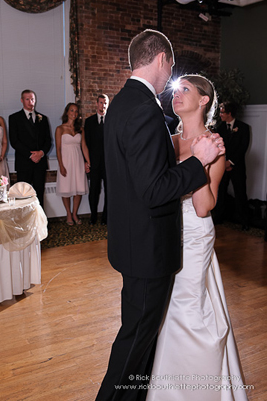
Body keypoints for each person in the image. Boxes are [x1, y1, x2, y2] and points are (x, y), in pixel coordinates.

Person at [97, 29, 224, 401]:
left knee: (141, 342)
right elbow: (153, 190)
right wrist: (198, 162)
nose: (171, 77)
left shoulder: (122, 103)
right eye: (170, 66)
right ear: (161, 60)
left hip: (135, 241)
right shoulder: (144, 109)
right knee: (133, 345)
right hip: (148, 248)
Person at [148, 75, 248, 400]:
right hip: (163, 230)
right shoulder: (169, 140)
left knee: (185, 308)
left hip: (193, 234)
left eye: (185, 89)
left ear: (204, 100)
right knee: (161, 309)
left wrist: (202, 161)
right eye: (175, 90)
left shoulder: (215, 145)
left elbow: (204, 207)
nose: (176, 95)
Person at [8, 90, 52, 209]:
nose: (30, 102)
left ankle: (40, 223)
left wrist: (41, 153)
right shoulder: (14, 118)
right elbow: (14, 141)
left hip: (40, 163)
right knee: (23, 195)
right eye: (27, 99)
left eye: (32, 99)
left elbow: (48, 140)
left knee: (39, 194)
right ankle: (24, 223)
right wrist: (30, 155)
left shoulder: (43, 118)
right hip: (24, 162)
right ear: (22, 100)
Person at [213, 101, 251, 230]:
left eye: (222, 112)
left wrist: (231, 162)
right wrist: (223, 162)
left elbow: (243, 147)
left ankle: (244, 221)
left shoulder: (244, 128)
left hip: (237, 167)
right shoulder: (220, 128)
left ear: (229, 113)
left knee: (240, 192)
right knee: (221, 191)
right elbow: (217, 146)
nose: (220, 115)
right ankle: (218, 217)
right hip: (222, 166)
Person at [55, 102, 89, 225]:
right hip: (66, 162)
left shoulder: (80, 129)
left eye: (76, 111)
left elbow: (84, 146)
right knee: (66, 188)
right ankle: (68, 214)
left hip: (78, 161)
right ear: (67, 112)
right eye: (71, 110)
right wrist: (61, 165)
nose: (74, 113)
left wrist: (88, 162)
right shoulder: (60, 129)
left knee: (79, 188)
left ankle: (75, 213)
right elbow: (58, 149)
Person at [84, 94, 109, 225]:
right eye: (100, 103)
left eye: (105, 103)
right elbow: (85, 143)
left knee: (109, 192)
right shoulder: (89, 122)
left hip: (109, 164)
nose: (102, 105)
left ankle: (105, 217)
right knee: (94, 191)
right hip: (93, 163)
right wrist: (85, 161)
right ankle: (93, 216)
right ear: (96, 104)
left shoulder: (112, 120)